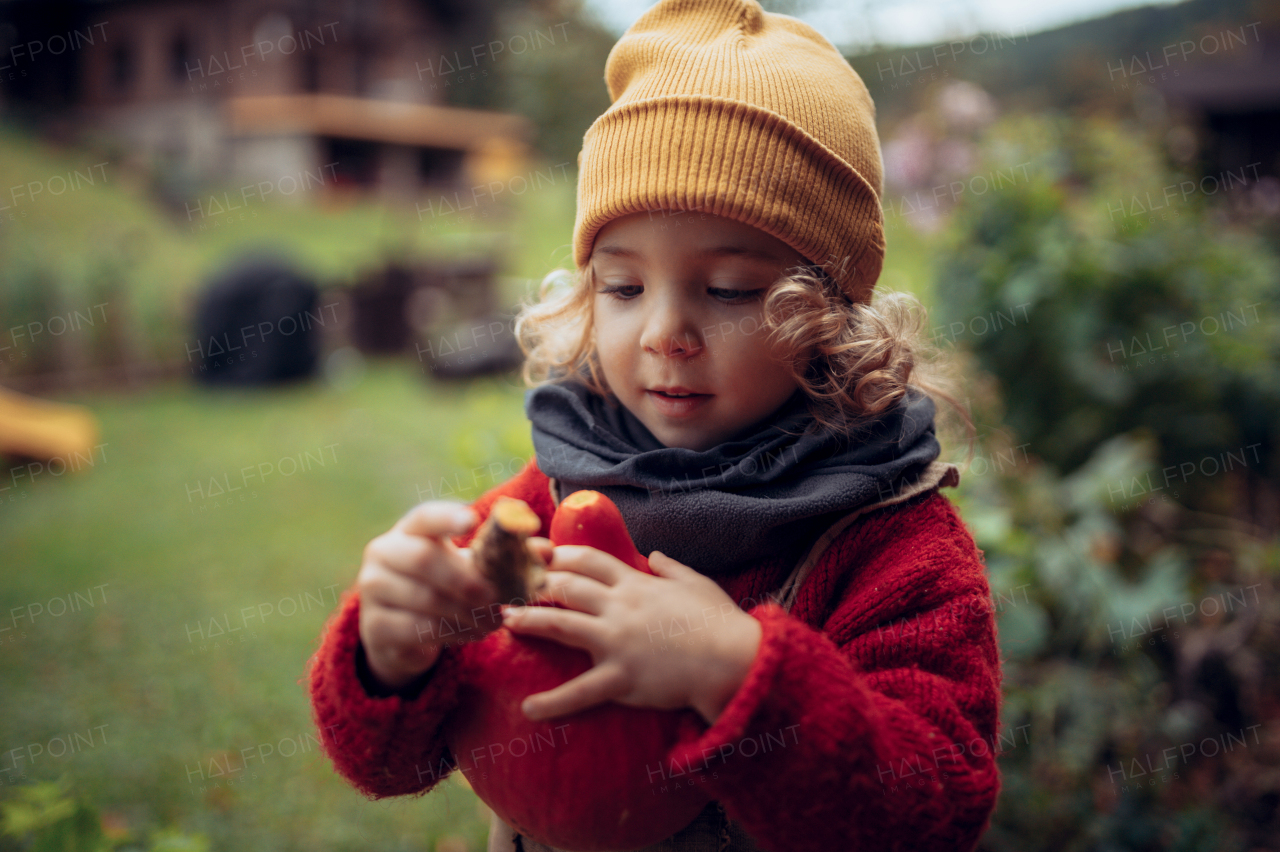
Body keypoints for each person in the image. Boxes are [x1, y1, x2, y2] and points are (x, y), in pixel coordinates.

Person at [307, 0, 1003, 849]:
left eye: (730, 289)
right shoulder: (551, 495)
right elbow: (390, 761)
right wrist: (391, 651)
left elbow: (938, 806)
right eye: (625, 288)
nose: (664, 332)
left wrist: (739, 672)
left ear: (829, 314)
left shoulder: (893, 546)